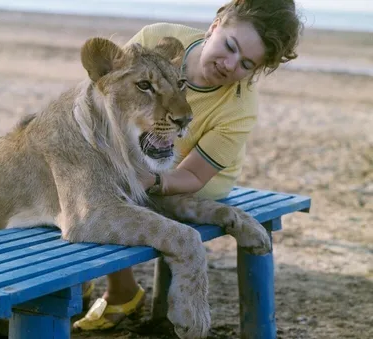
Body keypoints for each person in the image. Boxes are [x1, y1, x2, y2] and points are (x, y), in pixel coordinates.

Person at [73, 0, 302, 331]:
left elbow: (193, 174)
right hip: (144, 145)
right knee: (91, 168)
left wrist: (150, 180)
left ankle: (121, 291)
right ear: (215, 26)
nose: (229, 64)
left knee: (120, 196)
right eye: (230, 46)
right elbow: (109, 92)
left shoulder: (240, 109)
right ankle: (90, 277)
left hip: (195, 174)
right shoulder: (157, 37)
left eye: (246, 63)